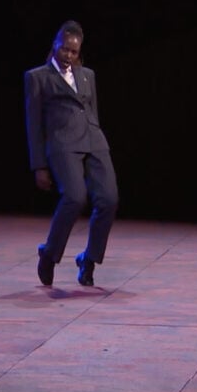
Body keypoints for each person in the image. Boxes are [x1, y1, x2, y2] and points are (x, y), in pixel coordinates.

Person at [24, 20, 119, 287]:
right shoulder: (38, 77)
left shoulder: (87, 75)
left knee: (109, 199)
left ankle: (88, 259)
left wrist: (98, 138)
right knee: (75, 197)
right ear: (56, 45)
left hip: (94, 141)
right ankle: (49, 253)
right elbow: (33, 124)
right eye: (65, 49)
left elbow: (93, 113)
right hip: (63, 144)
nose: (68, 56)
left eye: (74, 52)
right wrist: (38, 165)